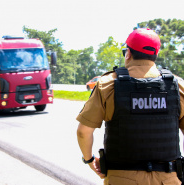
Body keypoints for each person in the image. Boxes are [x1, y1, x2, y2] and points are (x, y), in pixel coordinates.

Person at [76, 28, 184, 185]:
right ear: (155, 55)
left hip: (120, 179)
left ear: (128, 53)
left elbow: (83, 132)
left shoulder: (107, 85)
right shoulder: (178, 86)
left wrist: (89, 159)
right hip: (168, 179)